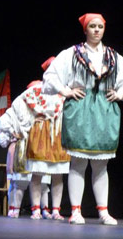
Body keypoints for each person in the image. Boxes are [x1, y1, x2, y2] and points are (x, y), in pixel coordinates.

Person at [42, 13, 123, 225]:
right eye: (92, 26)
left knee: (101, 164)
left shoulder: (114, 57)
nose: (97, 30)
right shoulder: (72, 54)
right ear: (85, 30)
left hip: (105, 110)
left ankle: (103, 211)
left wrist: (120, 94)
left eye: (100, 27)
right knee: (78, 162)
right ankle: (76, 210)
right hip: (80, 108)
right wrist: (66, 91)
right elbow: (50, 76)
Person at [0, 57, 69, 220]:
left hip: (58, 135)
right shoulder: (37, 90)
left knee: (58, 173)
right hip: (39, 135)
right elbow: (17, 107)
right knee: (34, 173)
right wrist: (25, 125)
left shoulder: (66, 91)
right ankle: (35, 209)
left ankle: (55, 210)